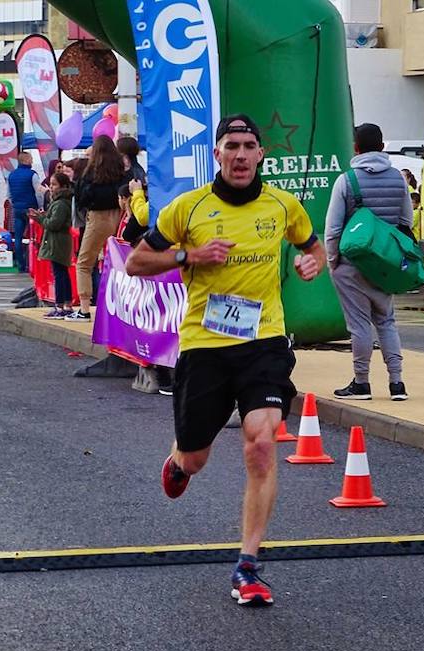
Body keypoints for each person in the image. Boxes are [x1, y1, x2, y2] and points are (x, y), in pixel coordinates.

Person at [125, 114, 325, 606]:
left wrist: (310, 263)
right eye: (230, 145)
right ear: (217, 154)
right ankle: (179, 458)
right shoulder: (187, 209)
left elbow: (313, 248)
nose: (239, 154)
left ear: (261, 155)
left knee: (261, 442)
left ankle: (248, 565)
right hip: (205, 346)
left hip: (264, 341)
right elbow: (135, 262)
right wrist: (187, 258)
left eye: (248, 146)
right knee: (196, 458)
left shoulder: (283, 205)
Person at [325, 123, 411, 402]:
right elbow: (406, 222)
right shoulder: (399, 179)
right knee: (387, 321)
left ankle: (361, 383)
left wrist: (332, 261)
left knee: (359, 325)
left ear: (356, 148)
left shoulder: (346, 181)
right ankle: (397, 383)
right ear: (383, 147)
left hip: (351, 265)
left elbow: (333, 229)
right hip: (384, 266)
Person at [71, 135, 125, 321]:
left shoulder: (90, 173)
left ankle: (84, 309)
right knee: (120, 262)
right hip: (119, 216)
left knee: (84, 263)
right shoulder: (121, 170)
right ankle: (120, 307)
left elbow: (81, 198)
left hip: (97, 217)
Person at [30, 173, 74, 319]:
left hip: (57, 242)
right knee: (62, 273)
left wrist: (39, 218)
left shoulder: (60, 204)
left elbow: (54, 224)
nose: (51, 187)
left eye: (54, 184)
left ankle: (60, 306)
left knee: (59, 274)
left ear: (62, 186)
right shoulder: (63, 202)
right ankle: (66, 305)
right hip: (60, 241)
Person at [7, 152, 42, 273]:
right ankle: (33, 264)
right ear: (26, 160)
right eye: (31, 159)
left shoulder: (11, 175)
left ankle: (21, 265)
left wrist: (15, 205)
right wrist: (40, 207)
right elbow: (38, 192)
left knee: (18, 237)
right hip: (31, 209)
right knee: (34, 237)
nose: (32, 161)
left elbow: (9, 195)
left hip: (17, 209)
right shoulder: (32, 175)